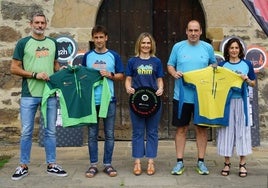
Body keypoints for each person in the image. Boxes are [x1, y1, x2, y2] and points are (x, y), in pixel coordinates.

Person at [10, 12, 67, 180]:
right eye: (37, 22)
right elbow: (14, 68)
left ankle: (52, 164)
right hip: (29, 94)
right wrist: (34, 74)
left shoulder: (53, 43)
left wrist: (61, 71)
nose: (40, 25)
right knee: (26, 131)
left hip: (49, 94)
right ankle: (23, 165)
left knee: (50, 131)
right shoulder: (23, 43)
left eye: (42, 22)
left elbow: (55, 65)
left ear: (46, 24)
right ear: (31, 24)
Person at [167, 20, 216, 175]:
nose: (193, 33)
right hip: (181, 97)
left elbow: (214, 66)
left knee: (201, 129)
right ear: (186, 31)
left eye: (196, 30)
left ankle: (201, 162)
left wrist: (210, 68)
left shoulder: (208, 48)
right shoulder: (178, 47)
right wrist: (174, 73)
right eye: (190, 30)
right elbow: (170, 65)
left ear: (201, 31)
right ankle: (179, 162)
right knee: (181, 129)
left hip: (202, 97)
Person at [82, 25, 124, 178]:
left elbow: (121, 75)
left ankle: (108, 164)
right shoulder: (87, 56)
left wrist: (110, 74)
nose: (99, 40)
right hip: (92, 100)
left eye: (101, 37)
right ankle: (93, 165)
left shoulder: (114, 55)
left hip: (109, 100)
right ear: (93, 39)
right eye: (96, 37)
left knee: (110, 133)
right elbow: (82, 76)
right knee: (92, 134)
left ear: (106, 38)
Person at [125, 32, 164, 175]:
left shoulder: (156, 62)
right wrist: (128, 87)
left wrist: (161, 88)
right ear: (139, 45)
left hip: (154, 102)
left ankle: (151, 162)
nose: (146, 45)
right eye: (143, 43)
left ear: (151, 45)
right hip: (136, 102)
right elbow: (128, 79)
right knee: (138, 132)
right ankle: (137, 162)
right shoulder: (132, 61)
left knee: (152, 132)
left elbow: (160, 79)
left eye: (148, 43)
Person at [217, 37, 256, 177]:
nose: (234, 50)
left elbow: (253, 83)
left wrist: (246, 79)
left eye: (236, 48)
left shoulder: (247, 64)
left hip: (242, 101)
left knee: (242, 131)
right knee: (226, 131)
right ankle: (227, 163)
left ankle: (242, 164)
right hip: (227, 103)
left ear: (240, 50)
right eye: (231, 48)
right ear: (227, 50)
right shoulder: (222, 65)